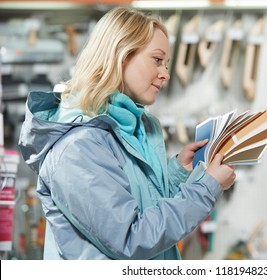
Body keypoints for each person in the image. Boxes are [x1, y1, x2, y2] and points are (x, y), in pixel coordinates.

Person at [18, 7, 236, 260]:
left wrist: (179, 173)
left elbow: (145, 210)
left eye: (166, 64)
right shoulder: (78, 148)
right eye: (157, 60)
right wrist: (206, 188)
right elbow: (133, 238)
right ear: (120, 54)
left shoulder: (131, 130)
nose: (165, 74)